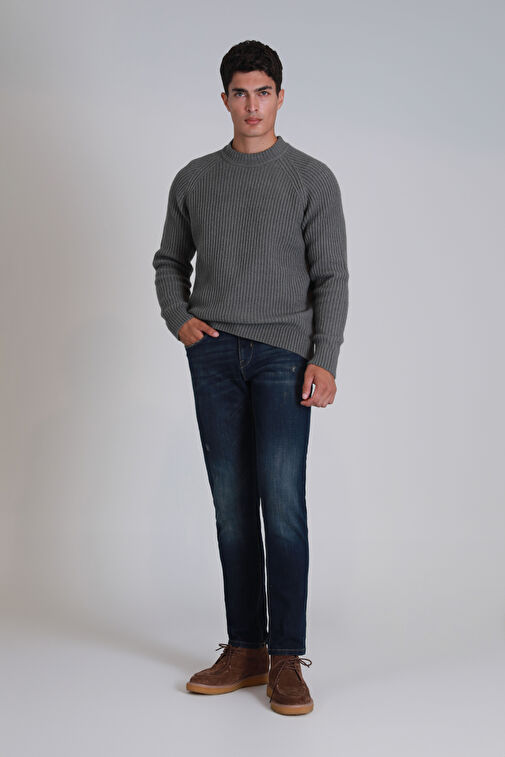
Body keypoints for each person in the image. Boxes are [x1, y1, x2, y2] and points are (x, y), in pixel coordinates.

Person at [152, 39, 349, 716]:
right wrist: (178, 317)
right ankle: (246, 647)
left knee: (282, 502)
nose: (251, 105)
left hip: (283, 355)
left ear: (280, 97)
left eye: (263, 92)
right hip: (213, 354)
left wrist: (324, 356)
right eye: (240, 92)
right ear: (225, 99)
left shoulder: (310, 178)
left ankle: (286, 655)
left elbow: (330, 276)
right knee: (231, 504)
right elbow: (168, 260)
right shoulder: (195, 178)